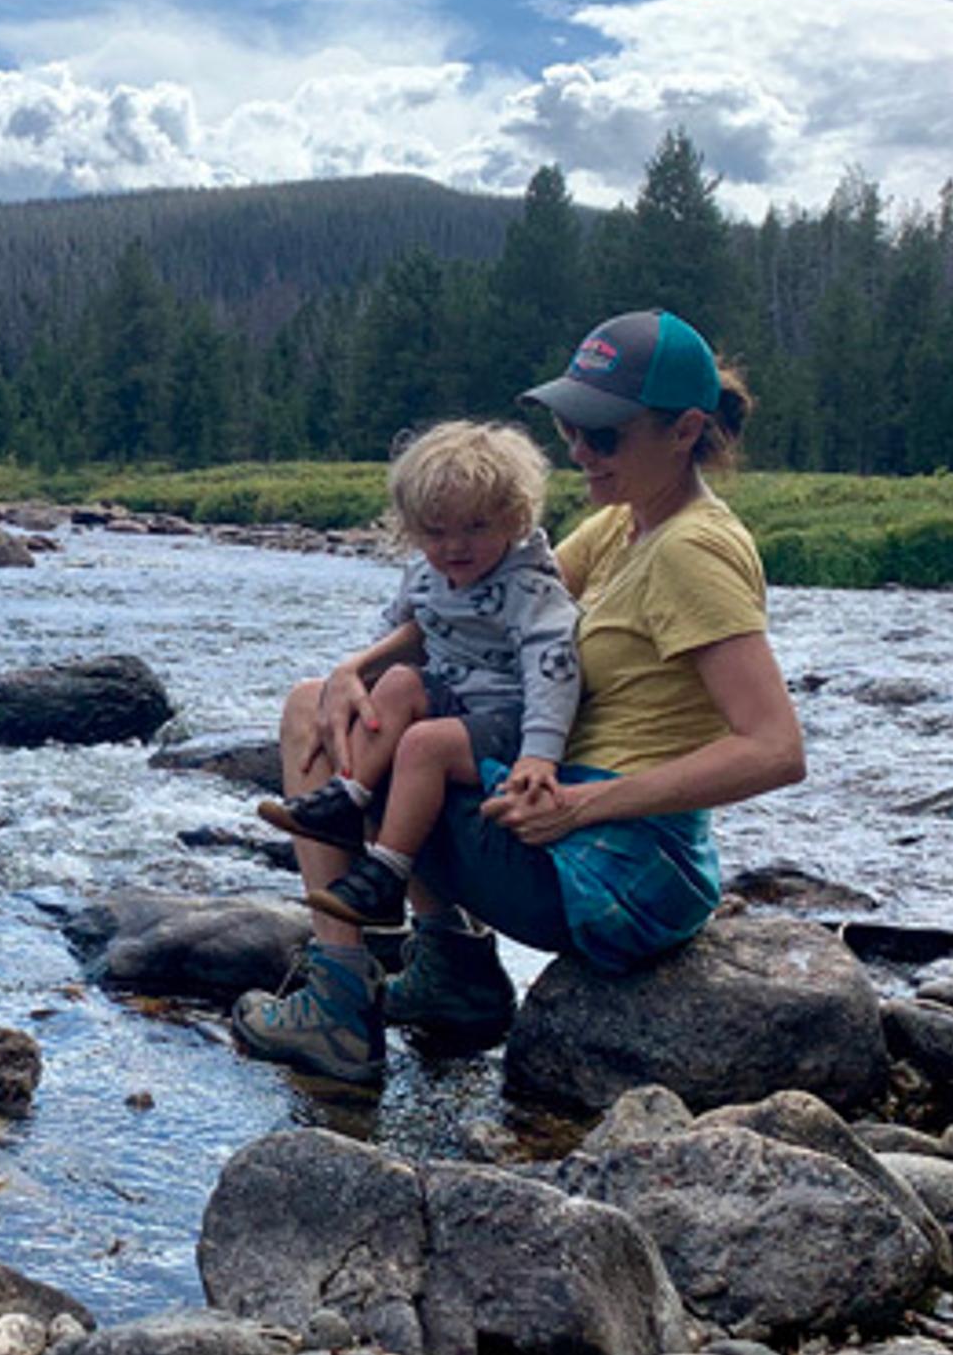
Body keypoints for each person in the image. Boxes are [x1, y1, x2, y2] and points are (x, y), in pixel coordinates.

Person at [233, 308, 806, 1084]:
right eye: (571, 427)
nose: (579, 450)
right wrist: (356, 668)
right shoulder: (623, 524)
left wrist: (583, 806)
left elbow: (774, 749)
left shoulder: (693, 551)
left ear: (685, 430)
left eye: (604, 435)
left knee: (340, 727)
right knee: (337, 699)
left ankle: (339, 1007)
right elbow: (481, 610)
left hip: (614, 869)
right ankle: (453, 975)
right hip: (580, 841)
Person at [255, 420, 580, 932]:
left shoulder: (530, 589)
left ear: (514, 518)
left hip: (505, 719)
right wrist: (358, 680)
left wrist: (541, 751)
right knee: (399, 684)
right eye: (436, 531)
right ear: (411, 527)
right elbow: (392, 632)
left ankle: (387, 869)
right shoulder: (425, 575)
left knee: (423, 743)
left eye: (476, 527)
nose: (455, 546)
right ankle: (349, 799)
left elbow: (552, 670)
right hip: (449, 700)